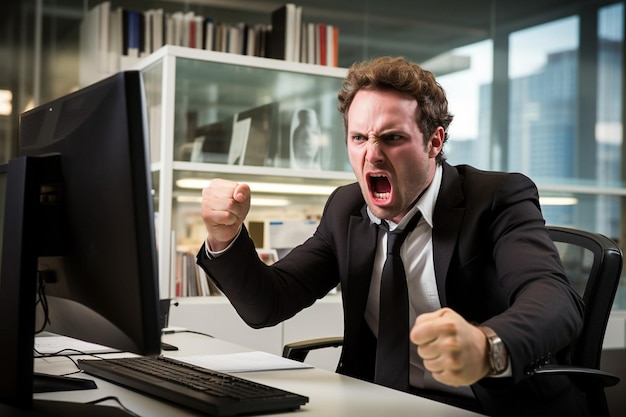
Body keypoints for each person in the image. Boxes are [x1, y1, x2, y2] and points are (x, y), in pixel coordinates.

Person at [197, 56, 587, 417]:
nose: (373, 155)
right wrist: (225, 236)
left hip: (491, 405)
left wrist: (489, 347)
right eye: (359, 138)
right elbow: (269, 303)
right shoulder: (345, 208)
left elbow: (554, 298)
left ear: (434, 142)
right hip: (380, 403)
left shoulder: (496, 198)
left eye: (392, 138)